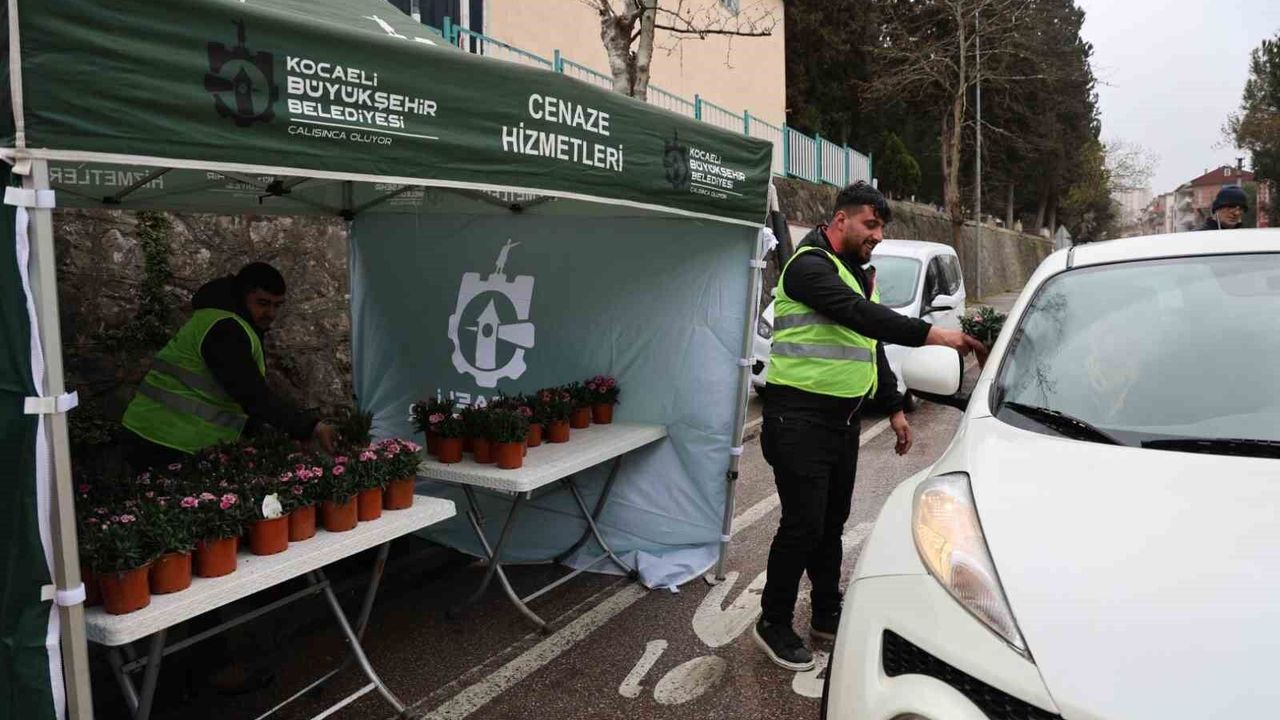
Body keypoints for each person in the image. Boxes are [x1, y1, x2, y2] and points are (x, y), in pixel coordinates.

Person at [753, 182, 986, 671]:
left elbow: (868, 344)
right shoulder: (808, 267)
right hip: (797, 420)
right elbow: (861, 315)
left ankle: (825, 612)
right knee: (803, 525)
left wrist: (894, 406)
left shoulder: (857, 273)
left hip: (842, 421)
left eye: (881, 227)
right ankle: (772, 621)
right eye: (871, 224)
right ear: (841, 220)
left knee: (831, 523)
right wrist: (935, 335)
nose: (877, 235)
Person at [123, 261, 337, 469]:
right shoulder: (226, 330)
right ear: (242, 297)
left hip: (159, 431)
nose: (271, 314)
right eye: (262, 303)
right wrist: (309, 427)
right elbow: (250, 393)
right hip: (170, 439)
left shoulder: (222, 320)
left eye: (277, 305)